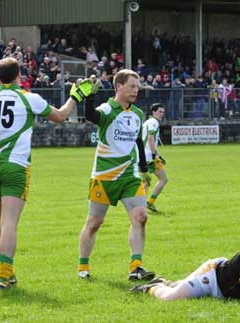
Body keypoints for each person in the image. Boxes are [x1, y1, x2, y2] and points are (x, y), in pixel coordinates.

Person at [0, 57, 96, 290]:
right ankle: (3, 276)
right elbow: (61, 117)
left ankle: (8, 274)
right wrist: (75, 96)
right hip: (15, 166)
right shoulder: (28, 98)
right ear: (19, 75)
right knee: (10, 221)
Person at [77, 69, 154, 281]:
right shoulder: (107, 109)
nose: (135, 90)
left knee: (141, 217)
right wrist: (89, 97)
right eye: (131, 86)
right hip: (104, 177)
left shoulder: (138, 114)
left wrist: (144, 169)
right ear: (118, 86)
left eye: (137, 87)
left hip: (129, 177)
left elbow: (138, 141)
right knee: (94, 223)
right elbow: (91, 116)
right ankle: (83, 266)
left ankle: (136, 267)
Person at [132, 245, 240, 304]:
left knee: (181, 287)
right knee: (170, 299)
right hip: (212, 279)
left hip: (229, 285)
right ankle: (153, 287)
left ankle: (166, 282)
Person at [142, 103, 167, 213]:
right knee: (163, 179)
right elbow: (150, 138)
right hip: (148, 156)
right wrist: (154, 155)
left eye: (163, 112)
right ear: (154, 112)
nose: (162, 114)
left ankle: (144, 205)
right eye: (159, 111)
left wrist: (158, 154)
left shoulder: (148, 122)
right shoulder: (153, 122)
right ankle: (149, 203)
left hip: (143, 155)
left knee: (146, 182)